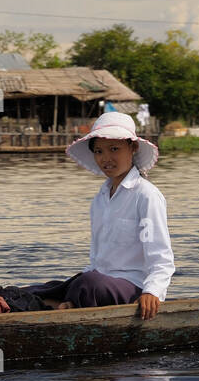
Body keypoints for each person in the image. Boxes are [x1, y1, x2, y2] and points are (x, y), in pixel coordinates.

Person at [62, 112, 174, 319]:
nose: (106, 158)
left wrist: (152, 292)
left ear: (133, 148)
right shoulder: (100, 199)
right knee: (43, 289)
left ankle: (73, 301)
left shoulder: (146, 195)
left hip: (133, 286)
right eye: (99, 151)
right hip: (102, 282)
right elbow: (97, 258)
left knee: (88, 284)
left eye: (114, 149)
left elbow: (161, 258)